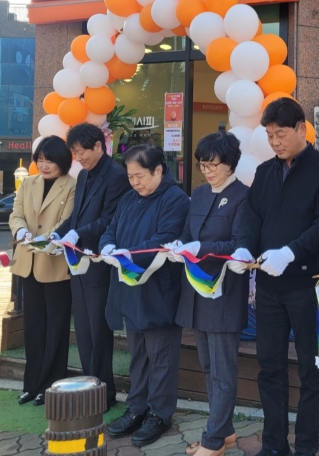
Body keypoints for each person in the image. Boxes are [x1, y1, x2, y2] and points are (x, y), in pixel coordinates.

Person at [233, 98, 319, 456]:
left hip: (307, 284)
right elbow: (251, 216)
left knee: (311, 370)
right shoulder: (266, 171)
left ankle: (306, 447)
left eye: (281, 134)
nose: (275, 142)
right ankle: (273, 445)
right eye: (269, 136)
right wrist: (244, 248)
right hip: (268, 285)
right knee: (269, 367)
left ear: (301, 129)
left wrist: (291, 252)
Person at [100, 145, 190, 447]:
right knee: (138, 354)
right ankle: (137, 407)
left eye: (139, 176)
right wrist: (108, 246)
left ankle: (160, 414)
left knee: (161, 356)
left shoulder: (175, 199)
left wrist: (126, 254)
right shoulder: (129, 198)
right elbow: (111, 228)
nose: (135, 182)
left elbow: (162, 240)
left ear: (158, 170)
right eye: (130, 176)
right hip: (129, 288)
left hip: (159, 290)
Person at [167, 132, 249, 456]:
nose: (208, 171)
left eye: (214, 165)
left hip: (224, 293)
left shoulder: (244, 196)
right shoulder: (199, 194)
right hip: (196, 291)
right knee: (207, 366)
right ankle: (224, 431)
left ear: (230, 163)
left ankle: (213, 441)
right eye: (203, 165)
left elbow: (238, 244)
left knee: (223, 371)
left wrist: (200, 247)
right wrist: (180, 245)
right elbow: (187, 232)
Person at [52, 123, 130, 408]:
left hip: (99, 264)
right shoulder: (84, 174)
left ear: (98, 146)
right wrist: (58, 233)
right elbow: (77, 216)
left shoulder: (117, 175)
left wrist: (78, 234)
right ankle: (89, 389)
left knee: (99, 333)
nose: (78, 157)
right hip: (78, 263)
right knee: (84, 332)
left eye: (81, 151)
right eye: (74, 152)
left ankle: (104, 394)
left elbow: (110, 220)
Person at [9, 136, 75, 406]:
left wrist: (42, 240)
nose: (44, 165)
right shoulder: (28, 183)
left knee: (56, 327)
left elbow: (67, 221)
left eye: (50, 161)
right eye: (41, 160)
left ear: (63, 161)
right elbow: (16, 214)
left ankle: (51, 386)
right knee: (33, 327)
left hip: (54, 264)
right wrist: (21, 231)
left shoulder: (72, 185)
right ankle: (31, 385)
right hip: (28, 264)